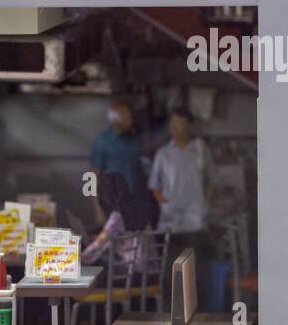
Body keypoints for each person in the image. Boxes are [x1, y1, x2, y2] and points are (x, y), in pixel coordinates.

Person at [150, 108, 215, 303]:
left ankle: (199, 310)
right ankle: (174, 312)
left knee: (197, 268)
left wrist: (205, 203)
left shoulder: (200, 151)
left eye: (179, 123)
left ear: (189, 126)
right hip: (172, 221)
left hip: (196, 219)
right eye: (172, 123)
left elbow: (210, 180)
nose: (174, 127)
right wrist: (165, 205)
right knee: (172, 268)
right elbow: (154, 185)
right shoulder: (163, 154)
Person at [89, 100, 155, 230]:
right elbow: (92, 176)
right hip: (112, 206)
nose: (130, 119)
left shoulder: (137, 140)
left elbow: (147, 171)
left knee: (137, 244)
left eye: (130, 116)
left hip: (138, 205)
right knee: (114, 243)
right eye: (126, 116)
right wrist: (97, 209)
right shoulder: (102, 142)